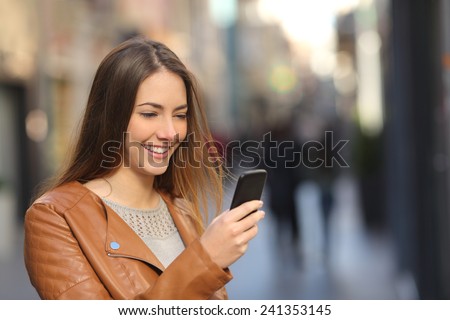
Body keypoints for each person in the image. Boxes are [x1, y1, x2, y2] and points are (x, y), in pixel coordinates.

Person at [23, 36, 265, 300]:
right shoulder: (55, 218)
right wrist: (206, 260)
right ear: (111, 115)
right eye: (150, 114)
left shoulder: (179, 208)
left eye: (180, 115)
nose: (170, 133)